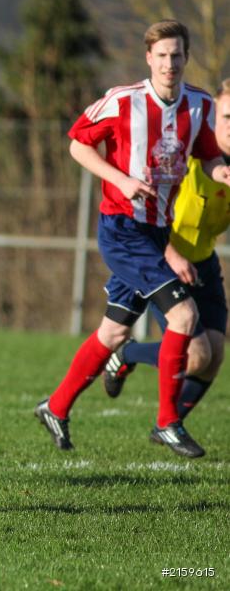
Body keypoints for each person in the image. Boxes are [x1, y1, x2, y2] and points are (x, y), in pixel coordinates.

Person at [34, 20, 230, 458]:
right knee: (183, 316)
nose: (169, 64)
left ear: (186, 57)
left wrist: (223, 173)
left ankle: (55, 406)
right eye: (161, 56)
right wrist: (120, 180)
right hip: (122, 230)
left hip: (157, 230)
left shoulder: (198, 104)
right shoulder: (123, 101)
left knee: (115, 331)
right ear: (148, 58)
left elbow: (208, 156)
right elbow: (77, 144)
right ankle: (167, 423)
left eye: (176, 55)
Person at [102, 79, 230, 434]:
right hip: (163, 257)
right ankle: (125, 355)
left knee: (215, 354)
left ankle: (170, 427)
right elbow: (151, 212)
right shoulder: (188, 157)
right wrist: (169, 253)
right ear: (213, 117)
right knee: (197, 354)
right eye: (227, 117)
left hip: (203, 262)